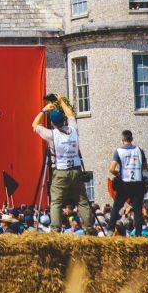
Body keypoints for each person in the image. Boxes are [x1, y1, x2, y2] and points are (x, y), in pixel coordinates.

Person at [32, 94, 93, 231]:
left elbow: (34, 125)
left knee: (56, 202)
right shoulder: (73, 129)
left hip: (60, 171)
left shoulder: (51, 134)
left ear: (52, 123)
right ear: (63, 120)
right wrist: (61, 101)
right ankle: (89, 228)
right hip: (76, 169)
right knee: (82, 201)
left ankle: (55, 229)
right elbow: (70, 114)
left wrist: (44, 110)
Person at [108, 129, 148, 235]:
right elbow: (145, 166)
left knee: (116, 207)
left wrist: (118, 174)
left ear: (122, 140)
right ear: (132, 139)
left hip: (124, 183)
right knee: (137, 210)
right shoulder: (139, 150)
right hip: (137, 183)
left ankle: (110, 230)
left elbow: (111, 169)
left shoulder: (119, 151)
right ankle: (138, 233)